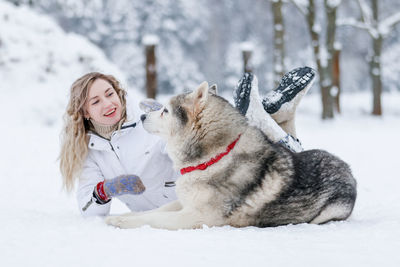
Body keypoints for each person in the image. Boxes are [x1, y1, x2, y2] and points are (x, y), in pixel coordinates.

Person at [59, 67, 315, 217]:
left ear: (118, 93)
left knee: (245, 161)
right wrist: (108, 189)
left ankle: (259, 119)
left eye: (109, 94)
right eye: (95, 101)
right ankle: (270, 117)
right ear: (83, 112)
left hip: (202, 196)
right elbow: (88, 209)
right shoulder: (89, 151)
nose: (108, 103)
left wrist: (174, 120)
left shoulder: (145, 121)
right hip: (171, 214)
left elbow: (193, 145)